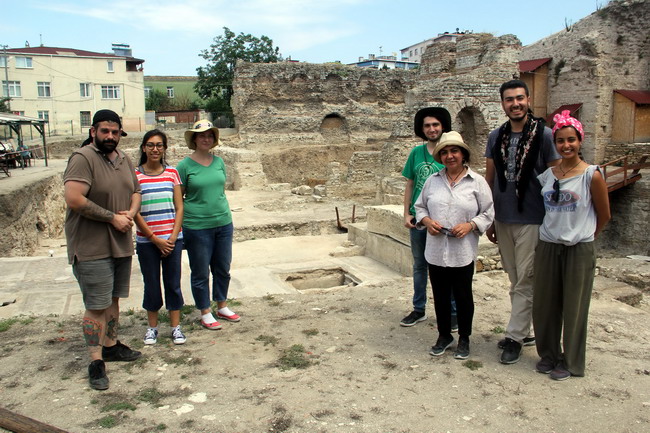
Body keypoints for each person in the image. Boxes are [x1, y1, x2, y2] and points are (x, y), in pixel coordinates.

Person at [64, 109, 142, 390]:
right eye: (104, 131)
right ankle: (96, 361)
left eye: (115, 132)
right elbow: (74, 199)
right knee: (96, 306)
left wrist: (131, 213)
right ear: (93, 132)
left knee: (113, 300)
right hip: (91, 246)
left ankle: (110, 345)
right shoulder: (83, 158)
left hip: (119, 244)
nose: (110, 136)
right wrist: (113, 217)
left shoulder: (123, 158)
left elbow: (136, 191)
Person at [484, 80, 561, 365]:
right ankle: (525, 330)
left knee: (526, 281)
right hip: (504, 218)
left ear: (528, 100)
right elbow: (489, 180)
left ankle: (514, 338)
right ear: (502, 104)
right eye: (509, 100)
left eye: (519, 98)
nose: (514, 104)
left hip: (532, 218)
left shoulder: (545, 136)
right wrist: (489, 218)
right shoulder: (496, 137)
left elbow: (556, 179)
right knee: (515, 279)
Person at [532, 111, 610, 380]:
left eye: (571, 140)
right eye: (561, 141)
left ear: (580, 141)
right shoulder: (547, 175)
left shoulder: (592, 175)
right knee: (544, 304)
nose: (566, 146)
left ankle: (572, 361)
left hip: (579, 248)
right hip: (548, 245)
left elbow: (604, 214)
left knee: (574, 307)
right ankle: (548, 354)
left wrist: (586, 235)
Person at [415, 131, 494, 359]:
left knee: (462, 296)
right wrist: (427, 221)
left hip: (463, 252)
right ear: (440, 156)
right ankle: (444, 335)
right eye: (445, 152)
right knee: (439, 296)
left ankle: (465, 338)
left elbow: (489, 212)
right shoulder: (433, 181)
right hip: (436, 251)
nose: (450, 156)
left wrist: (470, 225)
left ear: (463, 154)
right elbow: (420, 207)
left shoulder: (477, 182)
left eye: (454, 151)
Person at [177, 120, 240, 330]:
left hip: (223, 222)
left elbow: (220, 190)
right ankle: (205, 310)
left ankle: (222, 305)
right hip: (197, 226)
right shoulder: (184, 166)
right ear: (194, 139)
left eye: (210, 135)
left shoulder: (219, 162)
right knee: (200, 271)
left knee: (222, 267)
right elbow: (179, 197)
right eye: (202, 135)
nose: (206, 139)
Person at [401, 107, 457, 329]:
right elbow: (410, 183)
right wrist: (406, 212)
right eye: (427, 125)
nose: (432, 129)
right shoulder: (416, 152)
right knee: (419, 266)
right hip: (418, 220)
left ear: (443, 126)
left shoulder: (449, 153)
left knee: (447, 266)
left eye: (435, 124)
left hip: (442, 221)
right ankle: (419, 308)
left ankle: (452, 311)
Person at [133, 130, 186, 346]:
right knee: (152, 284)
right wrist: (155, 238)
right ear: (144, 148)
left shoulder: (172, 173)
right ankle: (152, 328)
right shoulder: (134, 175)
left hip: (173, 240)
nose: (155, 149)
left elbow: (179, 207)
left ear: (165, 148)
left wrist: (172, 238)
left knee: (173, 283)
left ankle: (175, 328)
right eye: (151, 145)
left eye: (159, 145)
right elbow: (134, 211)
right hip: (148, 242)